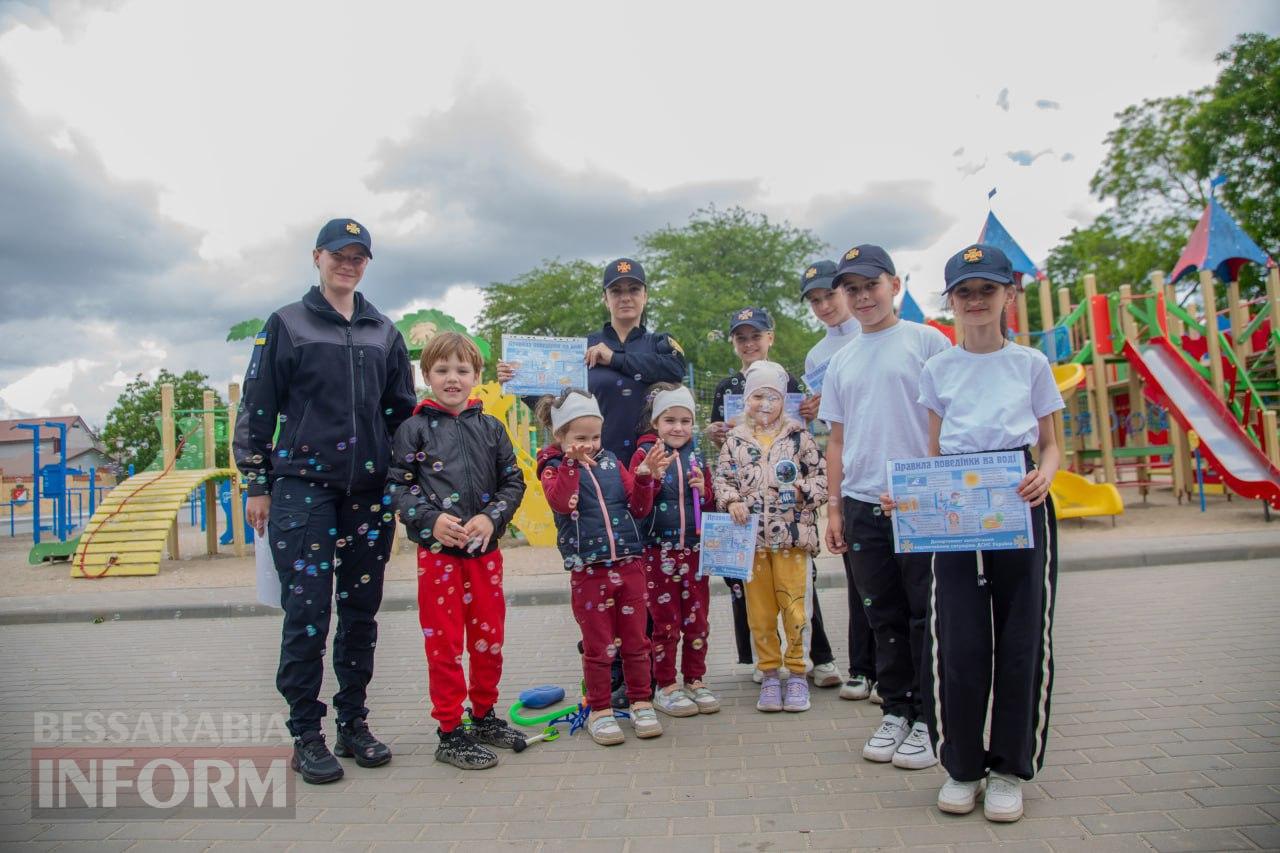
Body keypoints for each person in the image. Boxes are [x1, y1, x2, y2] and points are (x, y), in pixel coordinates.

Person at [235, 218, 416, 785]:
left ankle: (353, 721)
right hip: (301, 489)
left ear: (367, 264)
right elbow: (257, 406)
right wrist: (256, 482)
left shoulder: (383, 331)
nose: (349, 263)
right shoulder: (286, 324)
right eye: (339, 253)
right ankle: (305, 732)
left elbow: (402, 413)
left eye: (359, 256)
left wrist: (406, 480)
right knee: (309, 611)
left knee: (360, 612)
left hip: (368, 493)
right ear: (317, 256)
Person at [907, 244, 1063, 822]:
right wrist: (918, 494)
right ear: (950, 301)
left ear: (1008, 296)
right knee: (959, 636)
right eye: (964, 292)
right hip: (955, 505)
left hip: (1018, 499)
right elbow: (932, 449)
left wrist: (1043, 478)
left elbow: (1050, 445)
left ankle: (1009, 769)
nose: (976, 301)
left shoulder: (1030, 364)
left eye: (987, 290)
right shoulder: (938, 368)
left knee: (1023, 636)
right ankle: (963, 765)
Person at [818, 244, 949, 771]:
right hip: (863, 500)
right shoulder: (840, 360)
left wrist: (933, 487)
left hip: (919, 500)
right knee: (881, 613)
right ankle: (895, 708)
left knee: (926, 613)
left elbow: (950, 422)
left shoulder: (928, 342)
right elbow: (836, 440)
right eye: (851, 289)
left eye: (870, 285)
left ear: (894, 285)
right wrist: (833, 507)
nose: (861, 297)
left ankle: (928, 717)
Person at [386, 332, 527, 770]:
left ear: (476, 376)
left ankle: (482, 716)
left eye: (462, 370)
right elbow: (398, 486)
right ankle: (450, 730)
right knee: (444, 644)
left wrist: (491, 518)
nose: (452, 378)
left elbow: (514, 481)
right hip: (440, 559)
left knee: (489, 639)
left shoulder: (491, 428)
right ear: (425, 375)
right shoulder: (413, 429)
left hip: (485, 555)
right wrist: (430, 520)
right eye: (442, 370)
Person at [707, 306, 841, 690]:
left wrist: (815, 412)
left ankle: (817, 657)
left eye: (756, 335)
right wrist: (717, 433)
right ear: (734, 343)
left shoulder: (792, 382)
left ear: (771, 337)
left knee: (800, 586)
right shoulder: (728, 387)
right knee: (750, 589)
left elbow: (809, 440)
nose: (749, 343)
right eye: (741, 337)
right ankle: (763, 660)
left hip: (789, 512)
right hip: (749, 507)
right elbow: (724, 451)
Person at [534, 389, 665, 745]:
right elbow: (562, 502)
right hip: (589, 572)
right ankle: (600, 709)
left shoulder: (611, 463)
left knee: (637, 641)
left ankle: (641, 701)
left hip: (629, 565)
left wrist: (644, 478)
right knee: (599, 645)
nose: (589, 445)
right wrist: (571, 464)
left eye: (595, 436)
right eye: (580, 438)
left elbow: (638, 508)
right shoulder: (553, 468)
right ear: (559, 436)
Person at [714, 361, 827, 714]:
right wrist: (731, 500)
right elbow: (722, 480)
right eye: (757, 396)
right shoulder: (734, 441)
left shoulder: (799, 437)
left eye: (772, 397)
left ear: (783, 401)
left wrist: (799, 492)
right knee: (759, 613)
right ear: (746, 400)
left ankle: (796, 673)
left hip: (792, 542)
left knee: (795, 608)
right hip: (753, 544)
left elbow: (822, 481)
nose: (764, 403)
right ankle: (768, 673)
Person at [499, 258, 687, 461]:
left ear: (645, 296)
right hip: (595, 465)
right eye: (616, 291)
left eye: (633, 290)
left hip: (652, 466)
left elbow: (676, 369)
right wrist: (520, 382)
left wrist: (615, 358)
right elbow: (556, 406)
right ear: (605, 299)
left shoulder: (659, 344)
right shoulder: (582, 347)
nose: (625, 297)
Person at [797, 260, 877, 704]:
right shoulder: (819, 355)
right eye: (815, 301)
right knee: (859, 577)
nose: (825, 305)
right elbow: (831, 426)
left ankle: (898, 671)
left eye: (830, 294)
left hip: (896, 472)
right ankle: (863, 667)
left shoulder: (901, 337)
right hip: (852, 471)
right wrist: (813, 411)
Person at [629, 383, 719, 717]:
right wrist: (648, 478)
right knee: (665, 624)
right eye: (670, 420)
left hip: (694, 551)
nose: (678, 427)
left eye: (685, 420)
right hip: (658, 552)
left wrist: (705, 491)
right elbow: (638, 507)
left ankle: (695, 679)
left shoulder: (697, 455)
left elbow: (710, 506)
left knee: (697, 620)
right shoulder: (645, 455)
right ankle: (666, 685)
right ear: (656, 422)